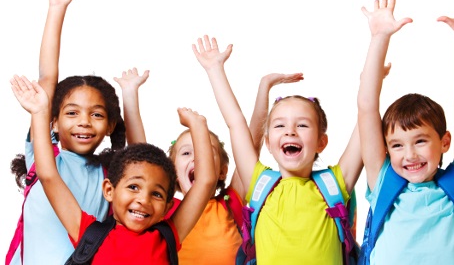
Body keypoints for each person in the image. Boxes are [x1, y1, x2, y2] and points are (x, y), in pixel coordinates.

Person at [11, 75, 219, 264]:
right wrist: (39, 112)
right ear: (109, 190)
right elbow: (48, 176)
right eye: (134, 187)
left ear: (167, 206)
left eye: (156, 194)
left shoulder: (167, 238)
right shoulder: (90, 234)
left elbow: (205, 182)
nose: (143, 200)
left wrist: (198, 125)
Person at [192, 35, 363, 265]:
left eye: (302, 125)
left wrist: (374, 72)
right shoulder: (259, 183)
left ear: (321, 142)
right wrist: (215, 70)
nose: (290, 131)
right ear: (269, 143)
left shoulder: (335, 184)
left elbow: (367, 116)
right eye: (280, 125)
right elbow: (235, 122)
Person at [357, 0, 454, 264]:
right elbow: (366, 107)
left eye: (420, 141)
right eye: (397, 145)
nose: (409, 154)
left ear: (445, 142)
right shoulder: (383, 181)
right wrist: (379, 38)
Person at [114, 67, 304, 264]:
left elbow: (250, 146)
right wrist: (129, 94)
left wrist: (264, 88)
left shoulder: (230, 204)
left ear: (222, 171)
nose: (197, 159)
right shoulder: (165, 209)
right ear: (173, 172)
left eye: (206, 153)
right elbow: (140, 158)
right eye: (186, 153)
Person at [6, 0, 126, 264]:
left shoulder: (110, 176)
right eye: (72, 113)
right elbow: (47, 79)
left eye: (96, 114)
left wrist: (131, 95)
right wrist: (56, 8)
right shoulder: (45, 157)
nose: (83, 121)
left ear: (110, 126)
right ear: (53, 121)